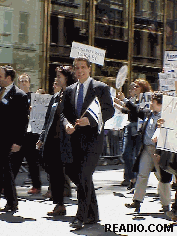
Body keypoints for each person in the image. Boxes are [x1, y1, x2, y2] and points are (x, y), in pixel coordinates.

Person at [63, 57, 115, 229]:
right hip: (74, 141)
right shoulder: (70, 90)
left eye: (83, 67)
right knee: (77, 175)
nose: (80, 71)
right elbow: (63, 113)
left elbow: (109, 110)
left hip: (93, 141)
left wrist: (91, 120)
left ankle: (81, 216)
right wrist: (67, 124)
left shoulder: (100, 88)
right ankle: (93, 214)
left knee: (84, 176)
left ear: (89, 69)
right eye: (76, 68)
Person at [117, 91, 172, 213]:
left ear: (158, 103)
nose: (150, 103)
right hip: (147, 149)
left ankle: (166, 204)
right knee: (142, 175)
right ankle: (137, 201)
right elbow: (135, 109)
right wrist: (124, 100)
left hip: (160, 152)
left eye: (153, 101)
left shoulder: (166, 117)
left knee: (163, 178)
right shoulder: (148, 113)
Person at [36, 66, 74, 216]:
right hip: (52, 141)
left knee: (71, 173)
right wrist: (41, 138)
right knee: (54, 172)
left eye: (59, 76)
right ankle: (59, 204)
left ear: (66, 77)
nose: (57, 79)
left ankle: (85, 206)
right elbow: (48, 120)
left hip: (67, 140)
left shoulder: (71, 95)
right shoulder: (55, 97)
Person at [115, 79, 152, 190]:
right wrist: (119, 104)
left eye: (137, 86)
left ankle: (136, 180)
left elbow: (140, 113)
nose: (134, 88)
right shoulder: (134, 99)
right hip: (130, 127)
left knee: (137, 156)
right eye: (134, 86)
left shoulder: (146, 99)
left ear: (143, 88)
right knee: (125, 154)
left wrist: (124, 100)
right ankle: (132, 178)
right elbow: (129, 111)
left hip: (139, 129)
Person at [0, 65, 28, 212]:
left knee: (6, 172)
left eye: (0, 76)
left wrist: (18, 142)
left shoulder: (19, 95)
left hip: (8, 140)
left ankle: (12, 202)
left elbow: (22, 121)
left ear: (8, 78)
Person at [11, 73, 42, 194]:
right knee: (14, 161)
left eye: (25, 81)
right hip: (18, 134)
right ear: (18, 83)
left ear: (29, 83)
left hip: (31, 135)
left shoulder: (35, 97)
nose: (23, 83)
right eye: (21, 81)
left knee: (33, 161)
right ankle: (7, 185)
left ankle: (36, 186)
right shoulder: (14, 96)